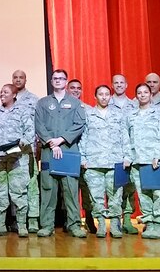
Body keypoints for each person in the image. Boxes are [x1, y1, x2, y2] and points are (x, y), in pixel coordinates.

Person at [35, 69, 87, 238]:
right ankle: (47, 225)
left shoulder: (75, 103)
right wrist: (51, 141)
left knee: (71, 189)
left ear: (66, 82)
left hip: (68, 150)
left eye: (61, 78)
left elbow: (79, 124)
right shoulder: (42, 103)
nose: (58, 81)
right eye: (55, 78)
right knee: (48, 188)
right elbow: (39, 125)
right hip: (48, 151)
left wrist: (62, 140)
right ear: (51, 81)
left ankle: (74, 224)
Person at [80, 84, 128, 238]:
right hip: (94, 163)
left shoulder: (119, 115)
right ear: (95, 96)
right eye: (101, 94)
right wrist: (83, 158)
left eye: (107, 94)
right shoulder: (88, 115)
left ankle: (114, 225)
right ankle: (101, 224)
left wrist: (127, 157)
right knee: (96, 197)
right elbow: (83, 137)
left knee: (115, 196)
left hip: (115, 162)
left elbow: (125, 137)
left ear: (110, 96)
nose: (104, 97)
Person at [126, 83, 160, 239]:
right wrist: (128, 157)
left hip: (156, 161)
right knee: (144, 194)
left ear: (151, 95)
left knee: (158, 194)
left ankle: (159, 224)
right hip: (138, 161)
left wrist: (158, 155)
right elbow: (126, 138)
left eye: (145, 92)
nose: (142, 95)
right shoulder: (131, 116)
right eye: (139, 93)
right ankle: (150, 223)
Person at [0, 84, 34, 237]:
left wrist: (23, 141)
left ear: (14, 95)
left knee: (18, 191)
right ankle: (0, 225)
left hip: (17, 158)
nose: (2, 94)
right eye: (1, 92)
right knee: (0, 191)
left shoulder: (22, 111)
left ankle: (22, 225)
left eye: (6, 92)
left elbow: (30, 132)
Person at [11, 69, 40, 233]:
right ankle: (17, 219)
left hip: (29, 151)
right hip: (12, 153)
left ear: (25, 80)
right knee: (16, 187)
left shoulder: (33, 100)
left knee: (31, 186)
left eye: (21, 77)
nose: (18, 80)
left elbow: (38, 125)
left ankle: (33, 219)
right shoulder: (8, 99)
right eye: (15, 77)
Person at [109, 73, 138, 235]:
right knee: (115, 187)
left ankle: (127, 219)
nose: (119, 85)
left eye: (122, 83)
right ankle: (116, 220)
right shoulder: (106, 102)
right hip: (112, 152)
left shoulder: (134, 105)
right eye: (116, 83)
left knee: (129, 186)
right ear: (112, 85)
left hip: (130, 151)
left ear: (126, 85)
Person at [69, 78, 97, 234]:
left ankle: (89, 218)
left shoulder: (88, 110)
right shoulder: (63, 108)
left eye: (78, 88)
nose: (75, 90)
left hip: (86, 154)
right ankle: (72, 220)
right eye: (72, 88)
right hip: (69, 153)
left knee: (87, 188)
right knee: (70, 189)